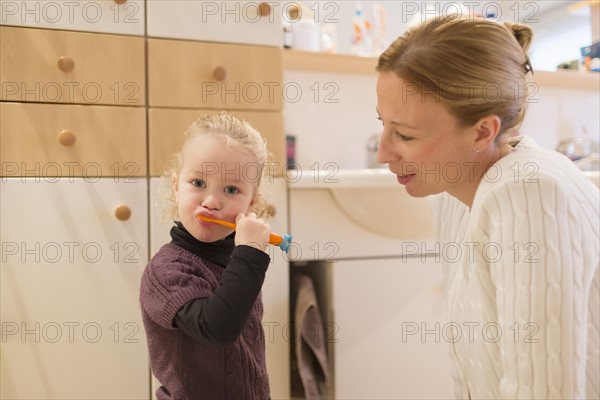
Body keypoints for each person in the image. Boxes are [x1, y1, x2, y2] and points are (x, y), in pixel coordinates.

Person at [376, 14, 599, 400]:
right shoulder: (456, 190)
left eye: (405, 135)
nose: (382, 153)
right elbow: (474, 372)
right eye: (383, 124)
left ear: (482, 131)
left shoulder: (527, 192)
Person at [140, 112, 273, 399]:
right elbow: (217, 328)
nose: (211, 201)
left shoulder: (236, 261)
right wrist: (249, 253)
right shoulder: (166, 271)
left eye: (231, 189)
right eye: (198, 183)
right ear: (176, 187)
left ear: (252, 202)